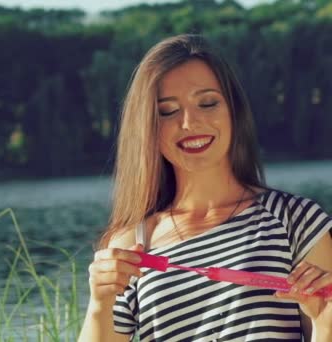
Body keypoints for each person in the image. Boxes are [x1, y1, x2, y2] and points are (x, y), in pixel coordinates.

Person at [78, 34, 332, 341]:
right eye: (168, 111)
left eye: (208, 103)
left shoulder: (297, 222)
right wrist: (99, 305)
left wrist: (326, 323)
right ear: (148, 127)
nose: (190, 122)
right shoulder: (132, 245)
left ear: (234, 111)